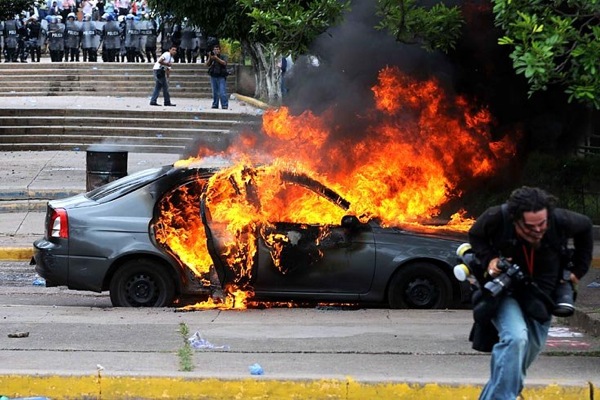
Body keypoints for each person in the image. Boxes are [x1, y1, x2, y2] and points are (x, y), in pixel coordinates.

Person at [468, 186, 593, 400]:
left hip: (542, 297)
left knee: (518, 361)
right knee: (515, 339)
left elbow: (586, 227)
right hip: (506, 291)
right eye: (529, 226)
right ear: (515, 219)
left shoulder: (560, 220)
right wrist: (490, 259)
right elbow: (475, 236)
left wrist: (577, 271)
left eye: (542, 224)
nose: (537, 231)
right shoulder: (497, 217)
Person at [206, 43, 229, 110]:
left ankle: (224, 104)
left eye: (217, 49)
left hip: (221, 76)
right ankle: (215, 104)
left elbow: (224, 63)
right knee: (215, 92)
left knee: (222, 92)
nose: (216, 51)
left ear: (220, 50)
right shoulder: (212, 57)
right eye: (215, 49)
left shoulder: (223, 56)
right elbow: (207, 64)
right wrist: (210, 57)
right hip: (213, 76)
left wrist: (217, 58)